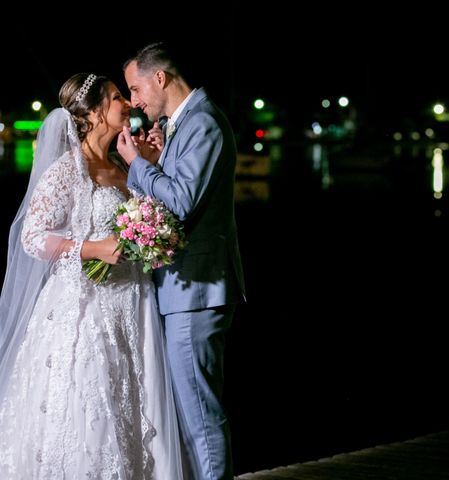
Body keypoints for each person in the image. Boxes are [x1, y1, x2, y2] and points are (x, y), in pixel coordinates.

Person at [0, 73, 183, 479]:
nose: (128, 105)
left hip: (134, 303)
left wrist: (149, 169)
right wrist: (91, 249)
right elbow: (33, 237)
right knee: (92, 404)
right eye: (119, 97)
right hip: (86, 308)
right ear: (98, 112)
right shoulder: (68, 169)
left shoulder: (121, 162)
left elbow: (145, 216)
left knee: (136, 398)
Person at [117, 43, 246, 480]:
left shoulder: (203, 122)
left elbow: (181, 201)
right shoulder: (180, 124)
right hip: (185, 289)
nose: (133, 102)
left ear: (160, 79)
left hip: (197, 288)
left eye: (135, 89)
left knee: (200, 415)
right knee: (192, 412)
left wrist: (136, 164)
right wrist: (156, 160)